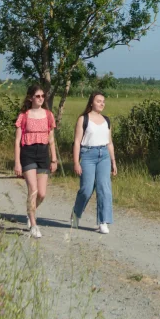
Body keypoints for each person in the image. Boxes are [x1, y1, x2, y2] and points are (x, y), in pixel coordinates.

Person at [14, 84, 57, 239]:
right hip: (28, 153)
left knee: (42, 193)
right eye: (37, 96)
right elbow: (17, 140)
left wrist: (54, 159)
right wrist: (17, 162)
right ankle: (33, 224)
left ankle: (30, 211)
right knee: (33, 189)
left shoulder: (48, 115)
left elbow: (51, 139)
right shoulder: (24, 115)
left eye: (42, 96)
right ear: (31, 97)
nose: (40, 99)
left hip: (43, 153)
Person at [71, 91, 117, 234]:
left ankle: (103, 221)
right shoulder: (83, 119)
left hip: (103, 155)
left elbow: (109, 142)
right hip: (87, 155)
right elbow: (77, 142)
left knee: (104, 188)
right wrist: (76, 162)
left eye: (103, 101)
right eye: (98, 101)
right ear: (91, 102)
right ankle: (76, 214)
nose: (101, 103)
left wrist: (113, 161)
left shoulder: (107, 120)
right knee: (86, 189)